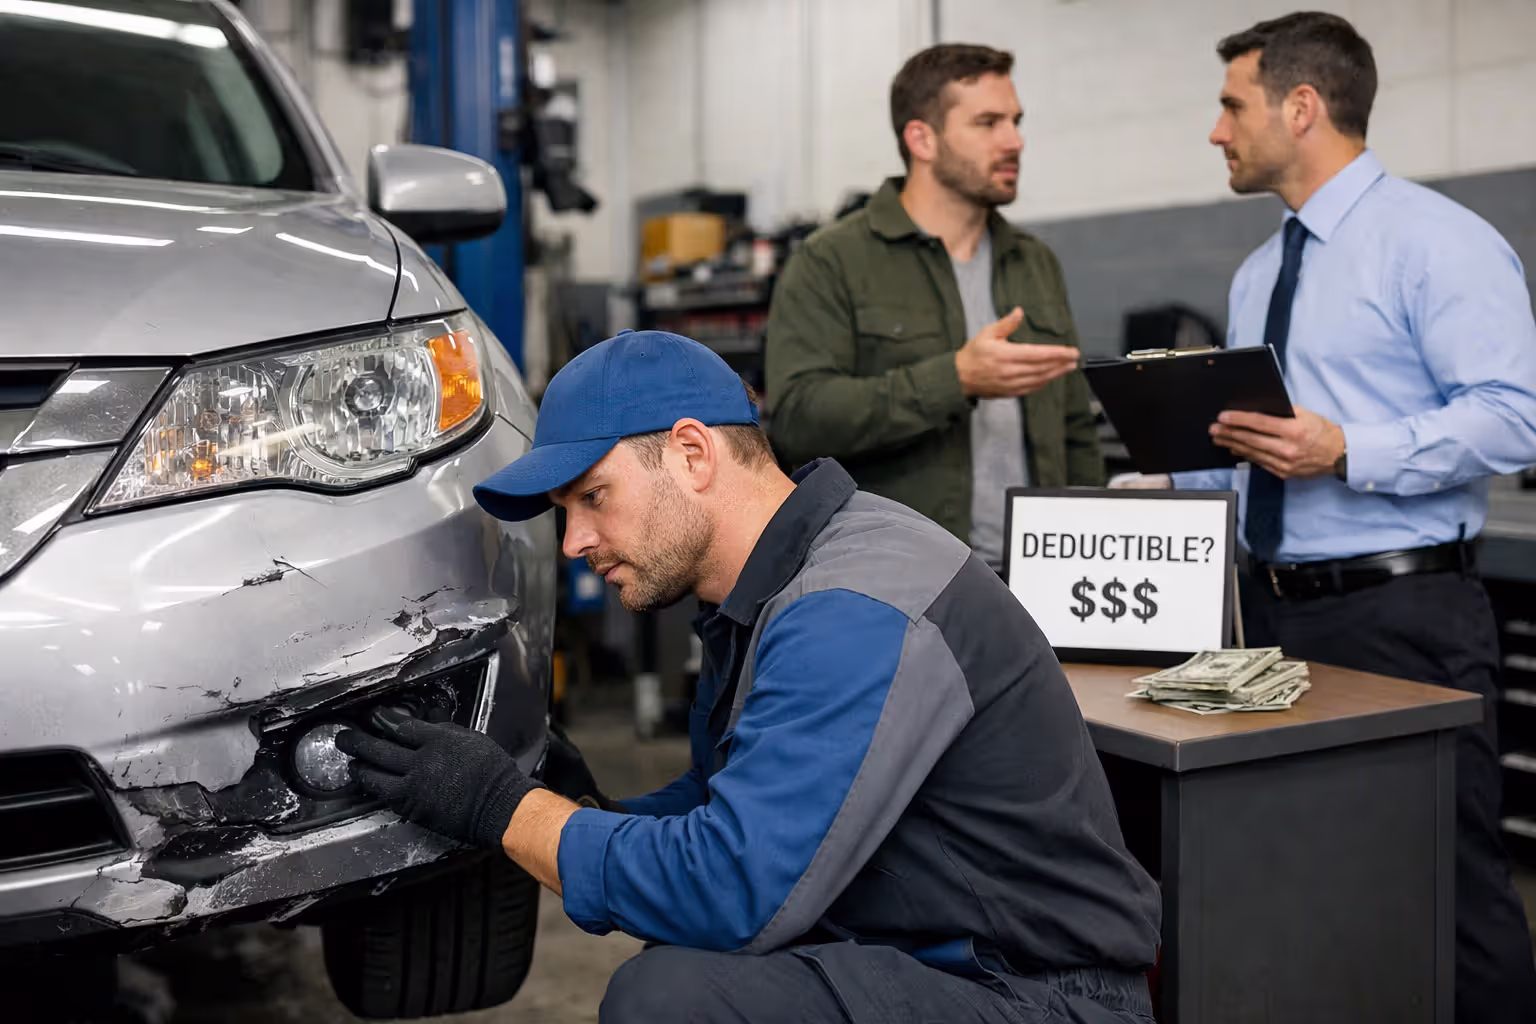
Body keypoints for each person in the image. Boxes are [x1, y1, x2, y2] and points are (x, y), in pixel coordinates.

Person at [338, 330, 1162, 1023]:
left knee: (673, 999)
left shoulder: (854, 604)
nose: (574, 542)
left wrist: (505, 810)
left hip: (1041, 994)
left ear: (693, 453)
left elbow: (736, 889)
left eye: (593, 496)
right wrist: (592, 814)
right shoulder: (769, 590)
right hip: (925, 958)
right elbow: (746, 804)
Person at [1176, 13, 1536, 1022]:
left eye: (1230, 104)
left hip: (1402, 616)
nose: (1215, 131)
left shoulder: (1439, 243)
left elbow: (1515, 420)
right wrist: (1168, 491)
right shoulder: (1258, 275)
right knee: (1307, 881)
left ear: (1302, 106)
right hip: (1273, 622)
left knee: (1449, 888)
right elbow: (1250, 454)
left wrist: (1350, 450)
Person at [765, 43, 1102, 573]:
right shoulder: (831, 261)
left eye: (1015, 121)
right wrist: (955, 379)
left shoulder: (1034, 262)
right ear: (922, 138)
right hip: (901, 582)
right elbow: (798, 419)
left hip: (1042, 581)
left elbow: (1075, 430)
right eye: (988, 123)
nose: (1015, 141)